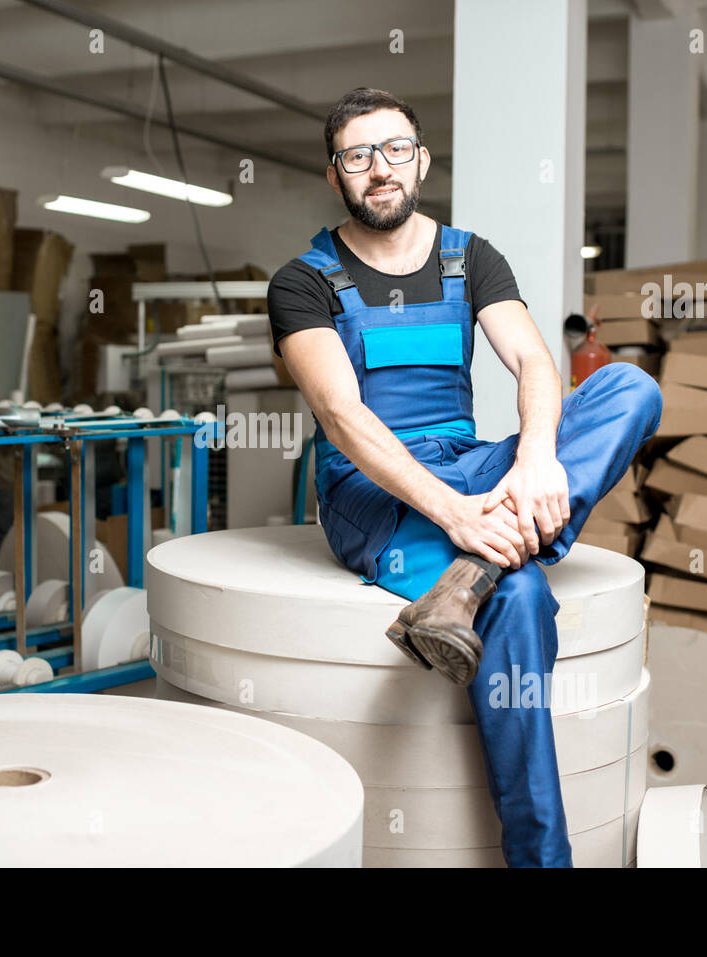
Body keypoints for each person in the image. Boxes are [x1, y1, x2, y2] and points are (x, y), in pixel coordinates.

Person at [267, 87, 663, 867]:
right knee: (518, 595)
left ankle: (475, 570)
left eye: (395, 149)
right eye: (358, 155)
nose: (380, 169)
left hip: (470, 461)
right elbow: (343, 415)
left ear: (422, 158)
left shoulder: (470, 255)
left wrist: (538, 456)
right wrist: (455, 513)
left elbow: (532, 363)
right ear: (335, 173)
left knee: (630, 390)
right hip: (371, 489)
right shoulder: (302, 279)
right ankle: (541, 858)